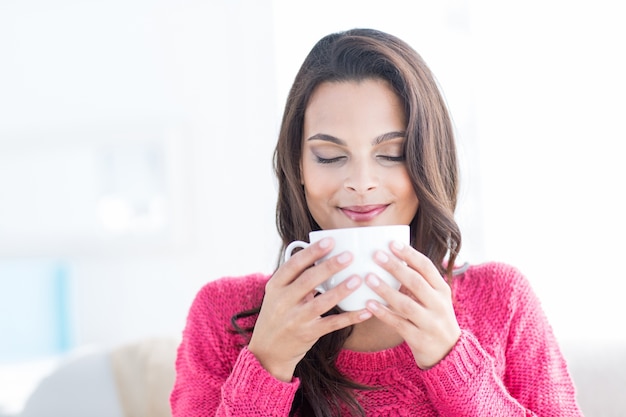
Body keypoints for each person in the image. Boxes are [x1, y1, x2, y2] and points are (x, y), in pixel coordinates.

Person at [170, 28, 583, 416]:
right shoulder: (223, 315)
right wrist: (268, 363)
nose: (361, 184)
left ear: (427, 160)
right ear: (297, 167)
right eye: (330, 156)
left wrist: (452, 361)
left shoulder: (501, 300)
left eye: (392, 154)